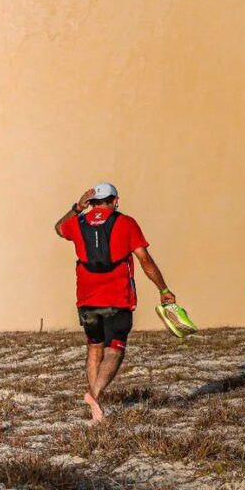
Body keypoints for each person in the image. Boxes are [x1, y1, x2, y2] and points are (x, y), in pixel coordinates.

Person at [54, 182, 176, 424]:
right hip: (118, 298)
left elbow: (58, 228)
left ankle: (96, 411)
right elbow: (145, 260)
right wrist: (163, 289)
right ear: (115, 201)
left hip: (87, 298)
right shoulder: (126, 223)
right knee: (115, 349)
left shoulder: (78, 222)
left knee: (94, 348)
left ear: (91, 202)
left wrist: (77, 208)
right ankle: (95, 395)